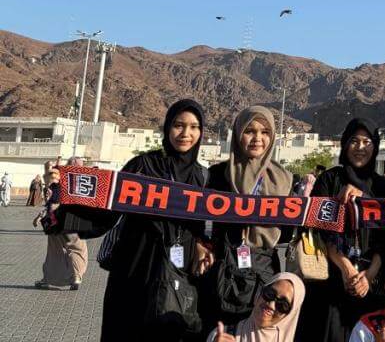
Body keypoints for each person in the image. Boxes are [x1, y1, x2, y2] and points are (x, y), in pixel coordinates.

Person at [60, 99, 213, 342]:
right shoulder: (144, 165)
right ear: (167, 128)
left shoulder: (202, 175)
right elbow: (109, 206)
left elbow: (205, 224)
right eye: (178, 125)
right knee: (128, 328)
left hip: (178, 268)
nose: (186, 133)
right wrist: (67, 208)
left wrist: (203, 244)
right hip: (136, 264)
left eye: (194, 127)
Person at [298, 117, 385, 342]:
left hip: (371, 286)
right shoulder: (329, 179)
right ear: (345, 144)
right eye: (354, 141)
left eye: (367, 142)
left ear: (376, 146)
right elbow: (319, 228)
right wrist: (347, 270)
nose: (360, 148)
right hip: (332, 281)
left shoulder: (382, 186)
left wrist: (370, 275)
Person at [203, 106, 299, 328]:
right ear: (238, 134)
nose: (258, 138)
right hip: (222, 270)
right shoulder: (218, 175)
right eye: (250, 131)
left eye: (265, 132)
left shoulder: (283, 179)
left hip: (264, 272)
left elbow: (284, 234)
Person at [208, 272, 306, 342]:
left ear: (289, 316)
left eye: (283, 305)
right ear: (259, 294)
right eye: (270, 294)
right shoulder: (221, 335)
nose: (271, 305)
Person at [34, 169, 88, 290]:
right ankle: (76, 277)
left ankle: (48, 279)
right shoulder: (79, 185)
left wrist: (41, 216)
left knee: (55, 251)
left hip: (56, 221)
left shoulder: (55, 186)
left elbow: (53, 204)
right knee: (77, 250)